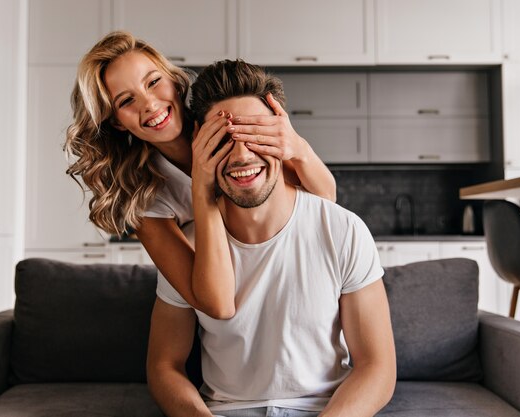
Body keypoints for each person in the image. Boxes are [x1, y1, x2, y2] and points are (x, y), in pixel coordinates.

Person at [146, 60, 396, 417]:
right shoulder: (185, 247)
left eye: (256, 135)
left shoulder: (343, 229)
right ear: (200, 141)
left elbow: (377, 367)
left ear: (281, 134)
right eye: (224, 139)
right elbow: (163, 366)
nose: (242, 155)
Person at [65, 31, 337, 318]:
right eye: (125, 101)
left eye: (154, 82)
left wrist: (299, 148)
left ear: (174, 81)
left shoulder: (224, 120)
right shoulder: (147, 201)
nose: (149, 104)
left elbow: (325, 200)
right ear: (117, 123)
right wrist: (202, 186)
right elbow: (218, 305)